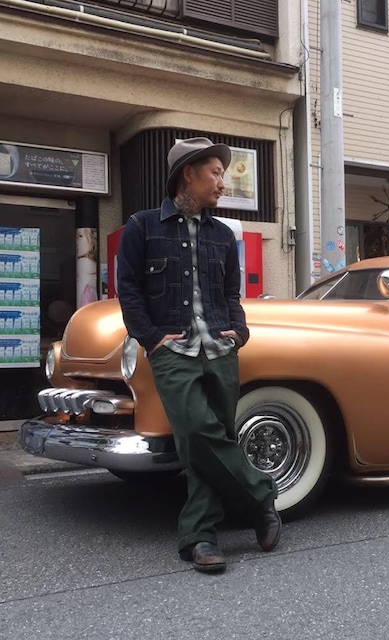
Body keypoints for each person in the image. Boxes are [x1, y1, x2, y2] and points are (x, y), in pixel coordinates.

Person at [116, 137, 281, 574]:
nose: (223, 183)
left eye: (223, 175)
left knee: (208, 441)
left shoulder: (222, 235)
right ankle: (261, 498)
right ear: (188, 175)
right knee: (195, 428)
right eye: (215, 173)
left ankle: (201, 537)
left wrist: (239, 331)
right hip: (173, 349)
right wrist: (152, 338)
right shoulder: (142, 227)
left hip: (220, 347)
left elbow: (230, 293)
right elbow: (128, 291)